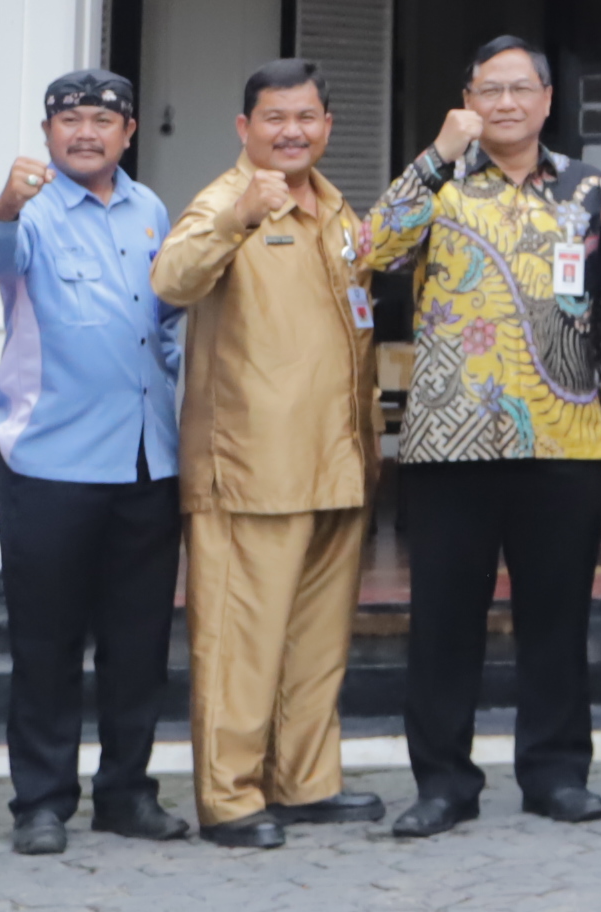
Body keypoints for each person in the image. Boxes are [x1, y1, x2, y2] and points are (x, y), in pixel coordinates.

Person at [366, 35, 601, 831]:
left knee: (557, 618)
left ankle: (556, 773)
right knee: (443, 623)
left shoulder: (590, 186)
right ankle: (443, 785)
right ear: (468, 98)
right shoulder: (439, 182)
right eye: (489, 89)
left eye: (521, 88)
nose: (505, 103)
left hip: (564, 435)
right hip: (452, 441)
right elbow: (372, 248)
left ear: (548, 99)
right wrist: (433, 155)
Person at [153, 60, 385, 848]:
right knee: (240, 644)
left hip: (337, 457)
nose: (293, 131)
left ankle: (305, 781)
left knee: (317, 643)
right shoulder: (227, 197)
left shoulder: (334, 206)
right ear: (244, 128)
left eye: (307, 117)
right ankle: (230, 796)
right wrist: (239, 217)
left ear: (327, 125)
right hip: (251, 464)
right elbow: (172, 279)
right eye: (275, 118)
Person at [0, 69, 189, 856]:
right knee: (47, 642)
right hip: (49, 459)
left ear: (128, 132)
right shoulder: (27, 211)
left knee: (138, 644)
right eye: (70, 121)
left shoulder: (153, 209)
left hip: (145, 458)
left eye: (102, 119)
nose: (85, 132)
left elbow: (163, 320)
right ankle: (42, 802)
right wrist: (3, 205)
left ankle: (127, 793)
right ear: (48, 132)